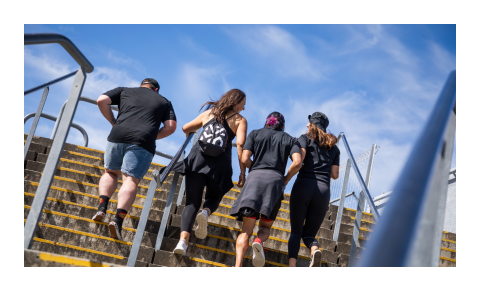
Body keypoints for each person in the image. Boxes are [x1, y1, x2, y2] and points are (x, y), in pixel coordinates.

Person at [91, 78, 177, 241]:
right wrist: (152, 136)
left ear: (142, 86)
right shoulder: (164, 101)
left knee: (110, 173)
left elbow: (101, 100)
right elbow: (171, 127)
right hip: (143, 141)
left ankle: (102, 208)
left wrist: (113, 121)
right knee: (130, 180)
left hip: (118, 135)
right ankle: (117, 220)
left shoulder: (125, 90)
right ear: (156, 90)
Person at [173, 89, 248, 256]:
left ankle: (182, 242)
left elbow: (186, 127)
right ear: (236, 102)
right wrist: (242, 172)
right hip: (219, 164)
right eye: (243, 103)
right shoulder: (240, 120)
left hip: (197, 160)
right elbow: (241, 145)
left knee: (191, 202)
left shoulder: (209, 113)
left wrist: (189, 133)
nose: (244, 107)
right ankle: (206, 213)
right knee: (214, 196)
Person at [231, 112, 302, 267]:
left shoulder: (255, 133)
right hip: (275, 183)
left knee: (246, 230)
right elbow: (297, 162)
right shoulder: (289, 139)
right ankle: (259, 241)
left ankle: (238, 265)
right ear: (282, 126)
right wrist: (285, 179)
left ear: (267, 122)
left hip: (254, 180)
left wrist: (254, 167)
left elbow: (244, 158)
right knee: (265, 227)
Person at [288, 112, 340, 267]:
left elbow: (300, 159)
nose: (306, 125)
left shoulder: (305, 139)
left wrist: (285, 178)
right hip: (323, 190)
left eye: (309, 122)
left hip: (303, 185)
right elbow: (335, 175)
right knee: (309, 234)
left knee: (296, 232)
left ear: (313, 124)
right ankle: (314, 249)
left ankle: (292, 265)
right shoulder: (334, 148)